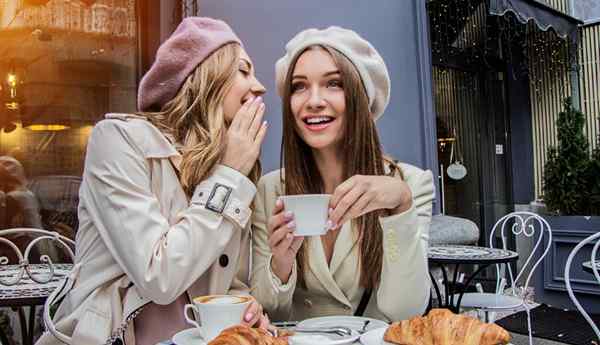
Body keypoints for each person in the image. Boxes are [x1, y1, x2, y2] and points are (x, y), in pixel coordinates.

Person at [37, 17, 269, 345]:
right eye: (243, 71)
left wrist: (245, 308)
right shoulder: (117, 141)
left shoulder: (228, 166)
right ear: (204, 75)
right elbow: (158, 278)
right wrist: (228, 177)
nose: (259, 86)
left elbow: (227, 282)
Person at [251, 26, 434, 323]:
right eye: (299, 87)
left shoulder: (411, 183)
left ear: (361, 99)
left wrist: (400, 207)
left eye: (333, 84)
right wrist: (280, 263)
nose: (313, 100)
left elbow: (406, 311)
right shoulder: (270, 189)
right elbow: (266, 314)